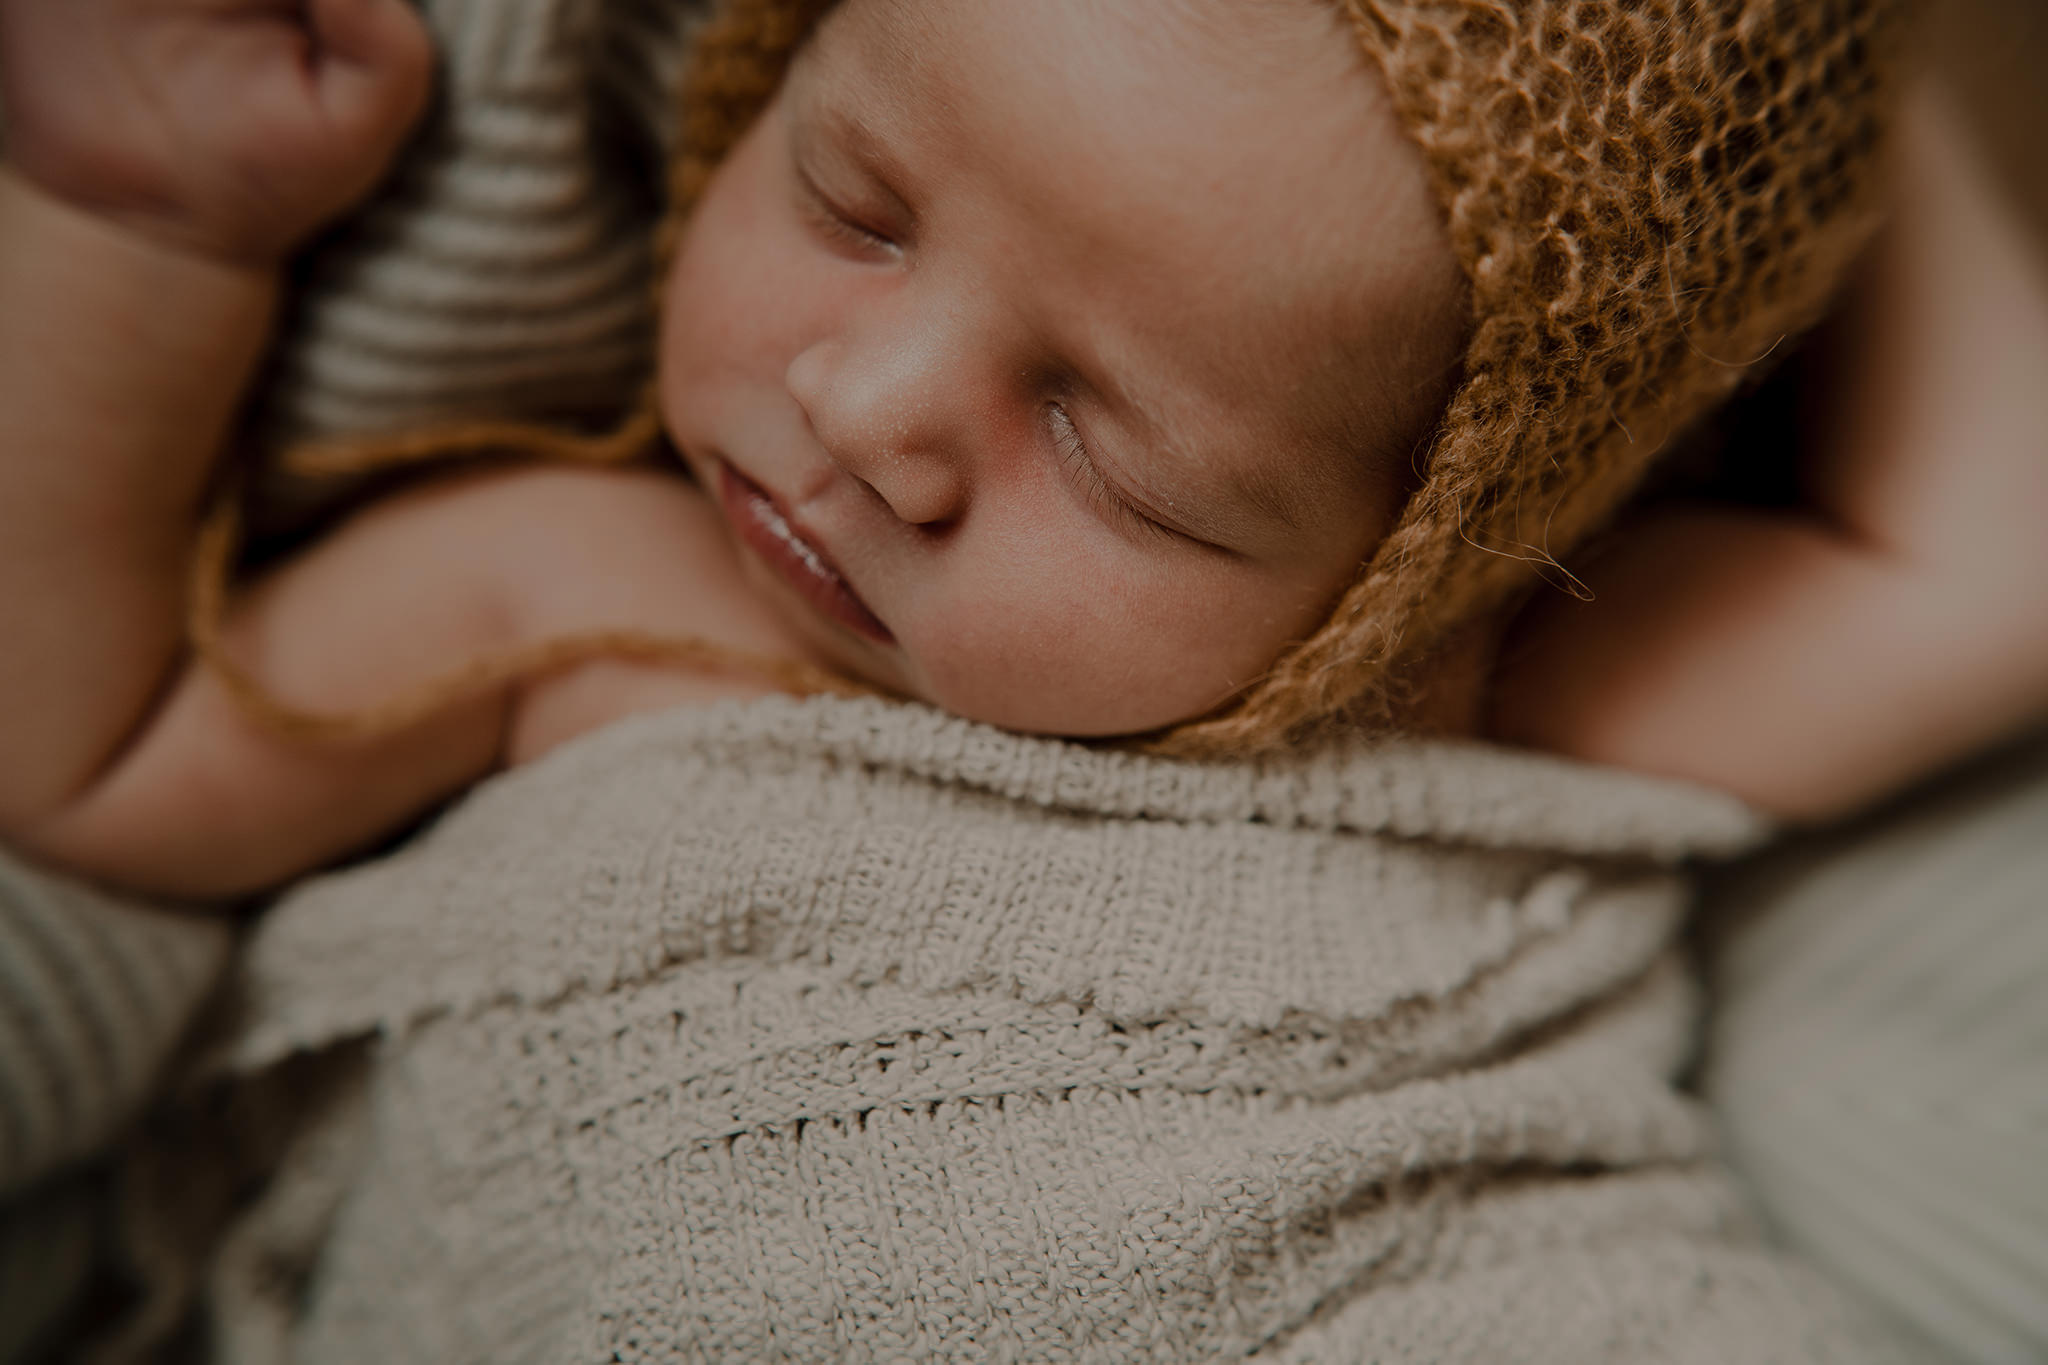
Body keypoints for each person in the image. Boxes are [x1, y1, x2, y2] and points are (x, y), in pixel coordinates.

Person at [10, 0, 2017, 912]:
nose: (869, 419)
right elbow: (89, 756)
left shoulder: (1454, 703)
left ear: (1417, 554)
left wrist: (1771, 108)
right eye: (852, 198)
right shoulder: (589, 591)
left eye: (1118, 451)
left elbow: (2009, 557)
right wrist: (146, 217)